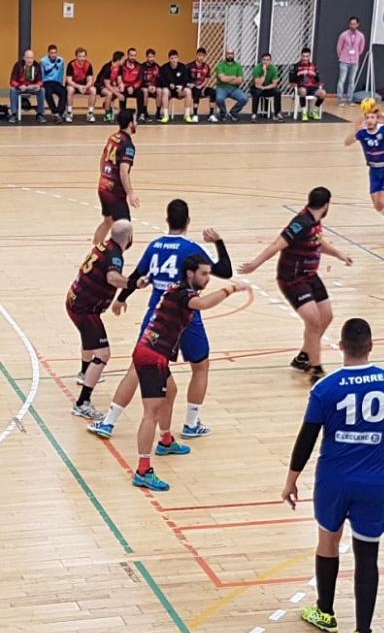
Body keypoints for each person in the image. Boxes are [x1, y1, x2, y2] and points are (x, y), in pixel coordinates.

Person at [281, 317, 384, 633]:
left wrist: (291, 479)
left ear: (340, 347)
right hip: (376, 482)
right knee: (367, 555)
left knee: (328, 541)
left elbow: (307, 439)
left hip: (334, 480)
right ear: (370, 346)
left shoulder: (326, 388)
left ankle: (325, 613)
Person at [89, 199, 233, 441]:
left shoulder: (156, 246)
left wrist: (121, 298)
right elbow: (225, 271)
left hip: (157, 316)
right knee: (200, 367)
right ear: (188, 221)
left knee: (137, 367)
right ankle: (191, 423)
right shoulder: (192, 249)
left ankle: (109, 422)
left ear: (167, 220)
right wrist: (218, 242)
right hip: (188, 316)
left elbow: (136, 275)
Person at [130, 254, 249, 492]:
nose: (207, 279)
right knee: (150, 413)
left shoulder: (180, 289)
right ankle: (143, 470)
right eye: (204, 274)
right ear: (190, 273)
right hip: (152, 355)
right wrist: (232, 288)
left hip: (154, 353)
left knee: (171, 392)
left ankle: (165, 441)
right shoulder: (184, 295)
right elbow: (203, 305)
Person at [239, 187, 352, 384]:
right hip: (292, 278)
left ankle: (304, 357)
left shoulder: (315, 221)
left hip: (310, 275)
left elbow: (318, 242)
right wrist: (254, 265)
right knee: (314, 321)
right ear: (326, 205)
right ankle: (315, 369)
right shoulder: (301, 223)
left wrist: (339, 254)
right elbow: (277, 245)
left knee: (326, 316)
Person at [66, 220, 137, 421]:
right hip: (85, 309)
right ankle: (82, 403)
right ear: (129, 238)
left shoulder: (104, 246)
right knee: (103, 353)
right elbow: (113, 278)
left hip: (74, 300)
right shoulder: (114, 256)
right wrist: (133, 284)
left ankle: (83, 373)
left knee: (89, 339)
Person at [93, 109, 140, 245]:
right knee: (125, 235)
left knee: (108, 221)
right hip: (114, 192)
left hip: (103, 186)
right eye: (135, 120)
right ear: (130, 123)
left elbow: (102, 159)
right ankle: (110, 259)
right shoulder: (127, 145)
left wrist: (104, 177)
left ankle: (95, 255)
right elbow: (123, 172)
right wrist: (130, 193)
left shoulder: (113, 137)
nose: (136, 123)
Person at [9, 49, 46, 124]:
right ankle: (14, 114)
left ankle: (40, 114)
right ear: (24, 58)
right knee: (12, 90)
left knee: (42, 90)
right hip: (21, 87)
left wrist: (38, 85)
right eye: (28, 58)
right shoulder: (18, 65)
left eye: (32, 58)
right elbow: (12, 81)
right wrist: (19, 86)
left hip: (32, 87)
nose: (30, 60)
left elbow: (40, 81)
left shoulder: (37, 66)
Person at [336, 17, 366, 106]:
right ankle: (340, 99)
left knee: (352, 81)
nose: (352, 26)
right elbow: (339, 47)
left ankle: (350, 99)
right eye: (351, 24)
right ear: (349, 24)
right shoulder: (343, 35)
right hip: (344, 60)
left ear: (357, 24)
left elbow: (361, 48)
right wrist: (341, 56)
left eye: (354, 24)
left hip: (354, 61)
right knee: (342, 80)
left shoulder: (361, 36)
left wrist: (356, 55)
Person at [290, 47, 326, 121]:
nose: (305, 58)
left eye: (307, 56)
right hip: (301, 87)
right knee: (303, 91)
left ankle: (314, 111)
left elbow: (318, 79)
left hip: (312, 87)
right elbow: (291, 80)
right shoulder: (295, 66)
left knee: (323, 93)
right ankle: (304, 112)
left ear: (309, 56)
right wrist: (298, 74)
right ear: (301, 56)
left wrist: (314, 75)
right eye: (303, 56)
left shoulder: (313, 66)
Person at [159, 49, 193, 123]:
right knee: (164, 91)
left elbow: (186, 79)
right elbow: (162, 81)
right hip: (169, 91)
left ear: (178, 58)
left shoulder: (183, 67)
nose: (174, 60)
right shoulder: (164, 68)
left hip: (179, 90)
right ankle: (166, 115)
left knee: (188, 91)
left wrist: (182, 86)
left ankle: (187, 115)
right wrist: (168, 85)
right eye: (172, 58)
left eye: (175, 58)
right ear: (169, 59)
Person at [214, 48, 247, 121]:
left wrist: (227, 79)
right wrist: (233, 77)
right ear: (225, 55)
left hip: (234, 89)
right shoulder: (221, 65)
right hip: (221, 88)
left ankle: (234, 112)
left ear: (233, 55)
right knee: (219, 99)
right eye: (228, 54)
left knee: (244, 98)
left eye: (231, 54)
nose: (230, 55)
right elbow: (222, 79)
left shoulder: (238, 66)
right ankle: (223, 113)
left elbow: (240, 81)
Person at [65, 47, 97, 122]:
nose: (82, 58)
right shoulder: (71, 64)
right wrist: (78, 86)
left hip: (84, 86)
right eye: (79, 56)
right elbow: (69, 80)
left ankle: (90, 113)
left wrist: (86, 87)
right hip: (74, 85)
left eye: (83, 56)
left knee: (93, 90)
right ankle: (69, 113)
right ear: (76, 56)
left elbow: (90, 79)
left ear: (86, 56)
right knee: (70, 90)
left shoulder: (88, 65)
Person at [250, 52, 284, 122]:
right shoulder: (257, 68)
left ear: (270, 61)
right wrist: (264, 73)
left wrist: (265, 88)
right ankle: (254, 114)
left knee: (277, 91)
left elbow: (274, 84)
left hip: (267, 88)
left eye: (268, 60)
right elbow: (258, 84)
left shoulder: (274, 68)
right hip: (256, 87)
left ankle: (277, 113)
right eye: (264, 60)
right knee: (256, 92)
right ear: (261, 61)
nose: (266, 61)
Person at [187, 47, 217, 123]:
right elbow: (186, 78)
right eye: (199, 55)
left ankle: (211, 114)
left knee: (213, 92)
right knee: (197, 91)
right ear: (196, 55)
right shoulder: (189, 66)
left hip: (202, 87)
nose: (201, 57)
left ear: (205, 56)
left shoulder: (206, 67)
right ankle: (195, 115)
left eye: (203, 56)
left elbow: (207, 78)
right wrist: (191, 85)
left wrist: (203, 86)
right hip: (192, 88)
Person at [96, 51, 125, 122]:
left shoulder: (120, 67)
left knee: (119, 90)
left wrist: (121, 84)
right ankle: (107, 114)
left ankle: (107, 103)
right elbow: (107, 85)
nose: (124, 61)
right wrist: (118, 95)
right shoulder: (108, 67)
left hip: (110, 85)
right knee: (109, 93)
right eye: (123, 59)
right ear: (118, 60)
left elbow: (119, 79)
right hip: (100, 85)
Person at [40, 43, 66, 122]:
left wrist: (61, 82)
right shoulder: (43, 60)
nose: (53, 55)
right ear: (48, 53)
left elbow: (61, 71)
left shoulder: (61, 60)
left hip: (56, 82)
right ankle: (55, 112)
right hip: (47, 82)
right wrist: (41, 83)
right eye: (51, 53)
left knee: (64, 92)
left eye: (55, 53)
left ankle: (59, 113)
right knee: (48, 94)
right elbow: (43, 72)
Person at [140, 48, 161, 122]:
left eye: (153, 57)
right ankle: (145, 112)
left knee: (159, 91)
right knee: (145, 91)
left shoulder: (157, 67)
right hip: (145, 87)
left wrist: (155, 86)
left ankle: (158, 113)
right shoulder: (142, 67)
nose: (151, 59)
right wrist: (148, 86)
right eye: (149, 57)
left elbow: (160, 79)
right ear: (146, 57)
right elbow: (140, 80)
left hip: (154, 87)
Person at [120, 47, 143, 114]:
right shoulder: (122, 65)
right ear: (128, 55)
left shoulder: (139, 66)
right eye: (131, 55)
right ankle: (123, 113)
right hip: (125, 86)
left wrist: (133, 87)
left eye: (134, 55)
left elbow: (140, 80)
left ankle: (140, 114)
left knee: (141, 93)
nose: (133, 57)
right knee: (122, 91)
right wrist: (125, 86)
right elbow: (119, 78)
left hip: (134, 87)